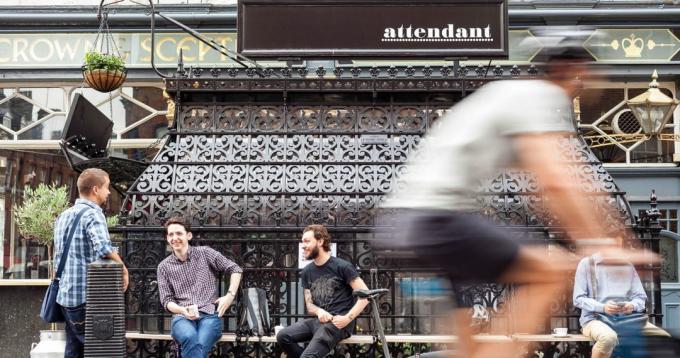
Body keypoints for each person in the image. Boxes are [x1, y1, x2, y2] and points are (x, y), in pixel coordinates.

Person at [379, 27, 652, 358]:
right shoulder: (540, 97)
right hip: (438, 217)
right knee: (552, 272)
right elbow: (557, 183)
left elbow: (542, 191)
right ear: (573, 70)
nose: (592, 81)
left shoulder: (507, 95)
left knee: (468, 344)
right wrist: (604, 245)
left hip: (411, 218)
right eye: (590, 72)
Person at [53, 168, 129, 358]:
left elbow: (57, 257)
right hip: (85, 297)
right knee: (100, 350)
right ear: (95, 189)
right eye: (107, 187)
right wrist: (124, 269)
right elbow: (103, 248)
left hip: (65, 296)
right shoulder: (93, 214)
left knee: (73, 349)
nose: (109, 192)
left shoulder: (64, 216)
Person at [277, 224, 370, 358]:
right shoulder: (307, 271)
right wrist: (319, 311)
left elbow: (365, 296)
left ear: (320, 241)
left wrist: (347, 318)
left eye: (307, 241)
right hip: (318, 322)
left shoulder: (342, 266)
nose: (303, 245)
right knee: (283, 336)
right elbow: (309, 305)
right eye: (302, 241)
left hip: (338, 323)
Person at [156, 216, 243, 358]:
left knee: (199, 343)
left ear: (188, 235)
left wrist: (229, 296)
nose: (175, 238)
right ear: (167, 238)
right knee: (190, 337)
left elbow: (235, 269)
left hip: (209, 316)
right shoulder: (163, 267)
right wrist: (182, 310)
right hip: (181, 317)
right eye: (171, 234)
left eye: (179, 233)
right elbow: (166, 301)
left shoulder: (205, 253)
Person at [573, 252, 670, 358]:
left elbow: (640, 297)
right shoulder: (587, 263)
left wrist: (632, 306)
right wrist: (603, 307)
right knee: (608, 338)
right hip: (594, 319)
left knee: (663, 339)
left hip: (627, 320)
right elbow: (578, 298)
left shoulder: (627, 265)